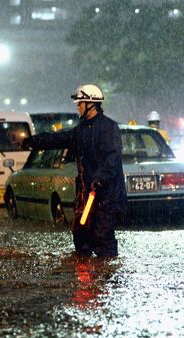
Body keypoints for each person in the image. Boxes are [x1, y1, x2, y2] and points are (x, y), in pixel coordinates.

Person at [23, 84, 127, 257]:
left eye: (80, 103)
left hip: (105, 196)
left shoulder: (109, 128)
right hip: (86, 193)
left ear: (90, 104)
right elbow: (59, 138)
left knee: (103, 238)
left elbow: (112, 158)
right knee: (81, 235)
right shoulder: (82, 130)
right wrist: (32, 141)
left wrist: (99, 178)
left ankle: (106, 277)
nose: (77, 106)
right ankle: (84, 276)